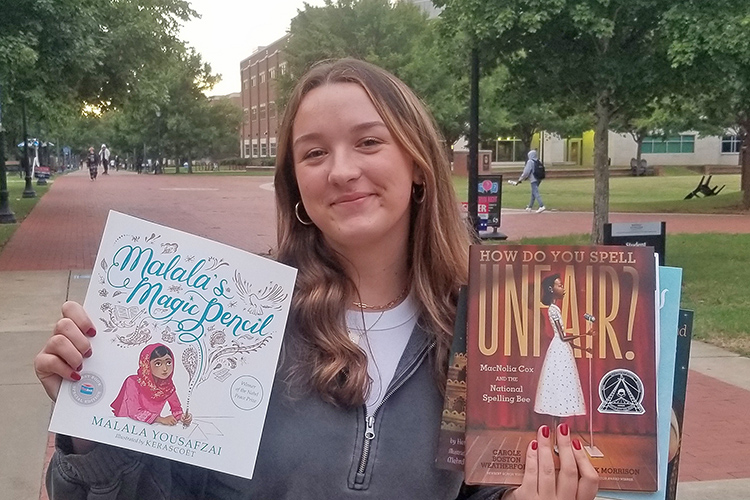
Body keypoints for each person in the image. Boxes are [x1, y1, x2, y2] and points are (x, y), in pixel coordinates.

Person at [34, 59, 598, 500]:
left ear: (418, 164)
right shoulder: (232, 315)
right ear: (295, 185)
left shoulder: (484, 326)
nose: (343, 170)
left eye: (369, 142)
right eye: (314, 153)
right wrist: (92, 429)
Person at [534, 274, 593, 447]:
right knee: (558, 391)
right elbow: (562, 337)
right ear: (552, 289)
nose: (563, 288)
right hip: (559, 352)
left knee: (560, 393)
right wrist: (585, 334)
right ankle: (555, 440)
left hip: (562, 350)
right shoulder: (553, 309)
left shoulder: (556, 309)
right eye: (560, 285)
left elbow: (566, 341)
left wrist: (584, 348)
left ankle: (557, 439)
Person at [110, 343, 192, 427]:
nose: (165, 369)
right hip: (125, 427)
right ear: (146, 364)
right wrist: (161, 419)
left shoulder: (167, 387)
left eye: (168, 362)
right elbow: (134, 412)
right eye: (158, 364)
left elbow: (176, 409)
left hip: (149, 430)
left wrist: (183, 417)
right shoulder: (133, 382)